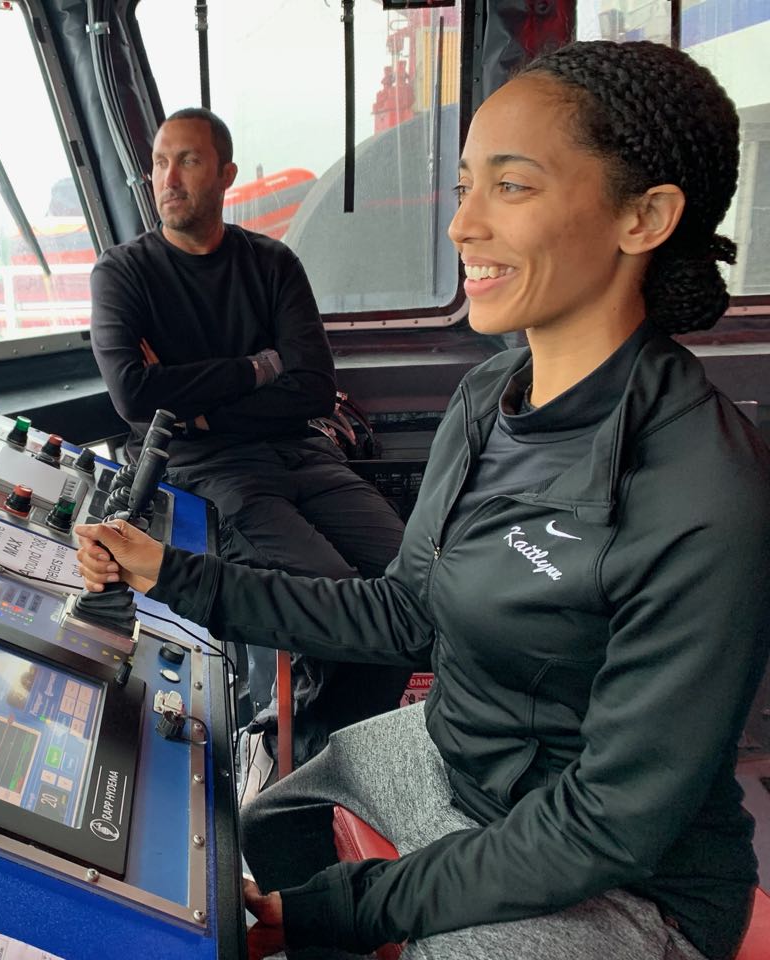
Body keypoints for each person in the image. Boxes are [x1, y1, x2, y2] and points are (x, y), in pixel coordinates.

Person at [76, 41, 770, 960]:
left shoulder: (704, 489)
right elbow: (407, 610)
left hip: (624, 876)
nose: (463, 227)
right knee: (252, 825)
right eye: (463, 189)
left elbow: (607, 822)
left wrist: (352, 908)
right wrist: (175, 575)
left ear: (644, 217)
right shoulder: (489, 399)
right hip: (457, 755)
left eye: (511, 188)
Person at [89, 107, 410, 786]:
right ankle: (310, 777)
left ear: (226, 173)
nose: (168, 178)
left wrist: (199, 404)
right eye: (159, 162)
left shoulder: (272, 264)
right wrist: (256, 367)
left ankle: (349, 760)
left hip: (304, 454)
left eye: (190, 161)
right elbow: (136, 398)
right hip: (216, 470)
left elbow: (316, 388)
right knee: (346, 607)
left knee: (413, 589)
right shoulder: (124, 274)